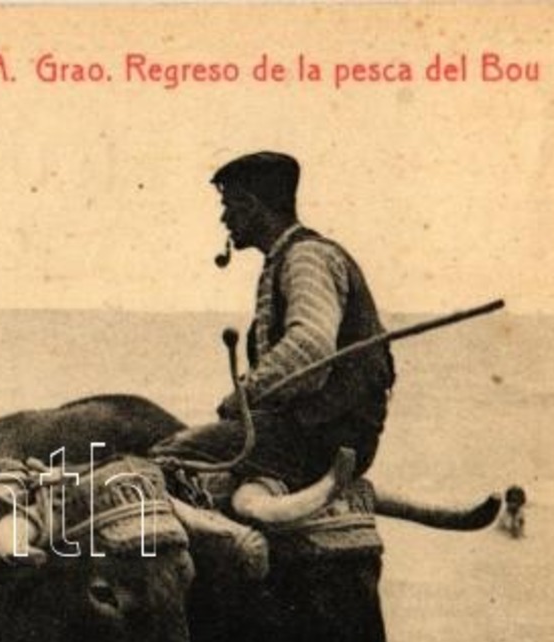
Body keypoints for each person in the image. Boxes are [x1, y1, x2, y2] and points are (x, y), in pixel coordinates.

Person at [155, 151, 396, 515]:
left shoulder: (306, 258)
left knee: (167, 455)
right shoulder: (290, 258)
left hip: (319, 440)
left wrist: (244, 395)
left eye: (230, 205)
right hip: (322, 435)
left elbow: (310, 348)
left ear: (252, 206)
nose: (224, 218)